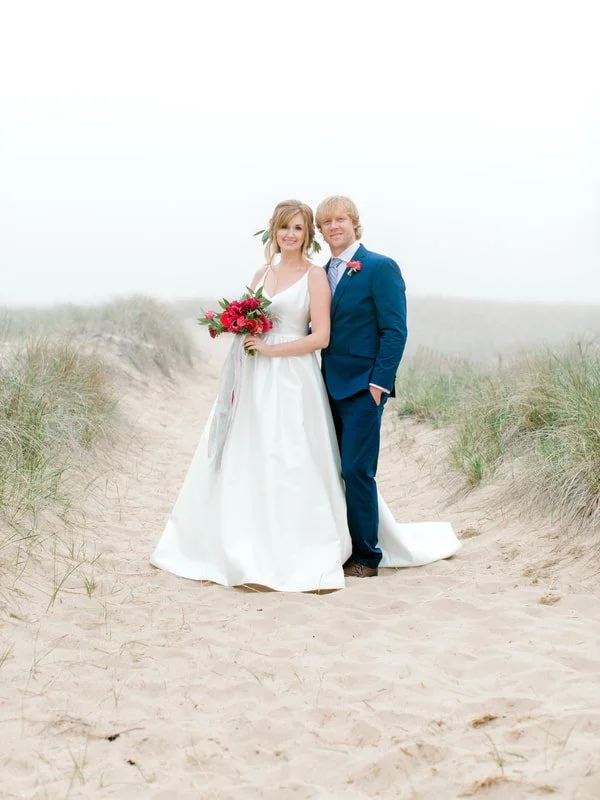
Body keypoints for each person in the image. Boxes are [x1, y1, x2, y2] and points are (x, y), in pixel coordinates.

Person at [150, 199, 461, 592]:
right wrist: (244, 330)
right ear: (274, 231)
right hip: (261, 377)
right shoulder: (267, 271)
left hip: (306, 378)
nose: (292, 235)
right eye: (286, 228)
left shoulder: (330, 274)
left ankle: (363, 553)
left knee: (331, 465)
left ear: (315, 232)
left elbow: (333, 334)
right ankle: (243, 540)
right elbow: (256, 317)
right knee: (253, 456)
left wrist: (376, 383)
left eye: (300, 228)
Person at [317, 195, 407, 577]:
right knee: (329, 468)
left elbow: (395, 330)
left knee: (357, 470)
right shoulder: (320, 274)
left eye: (340, 219)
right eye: (326, 222)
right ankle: (340, 543)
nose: (334, 226)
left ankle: (367, 556)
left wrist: (378, 385)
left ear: (354, 223)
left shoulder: (379, 267)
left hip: (363, 388)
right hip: (324, 386)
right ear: (320, 231)